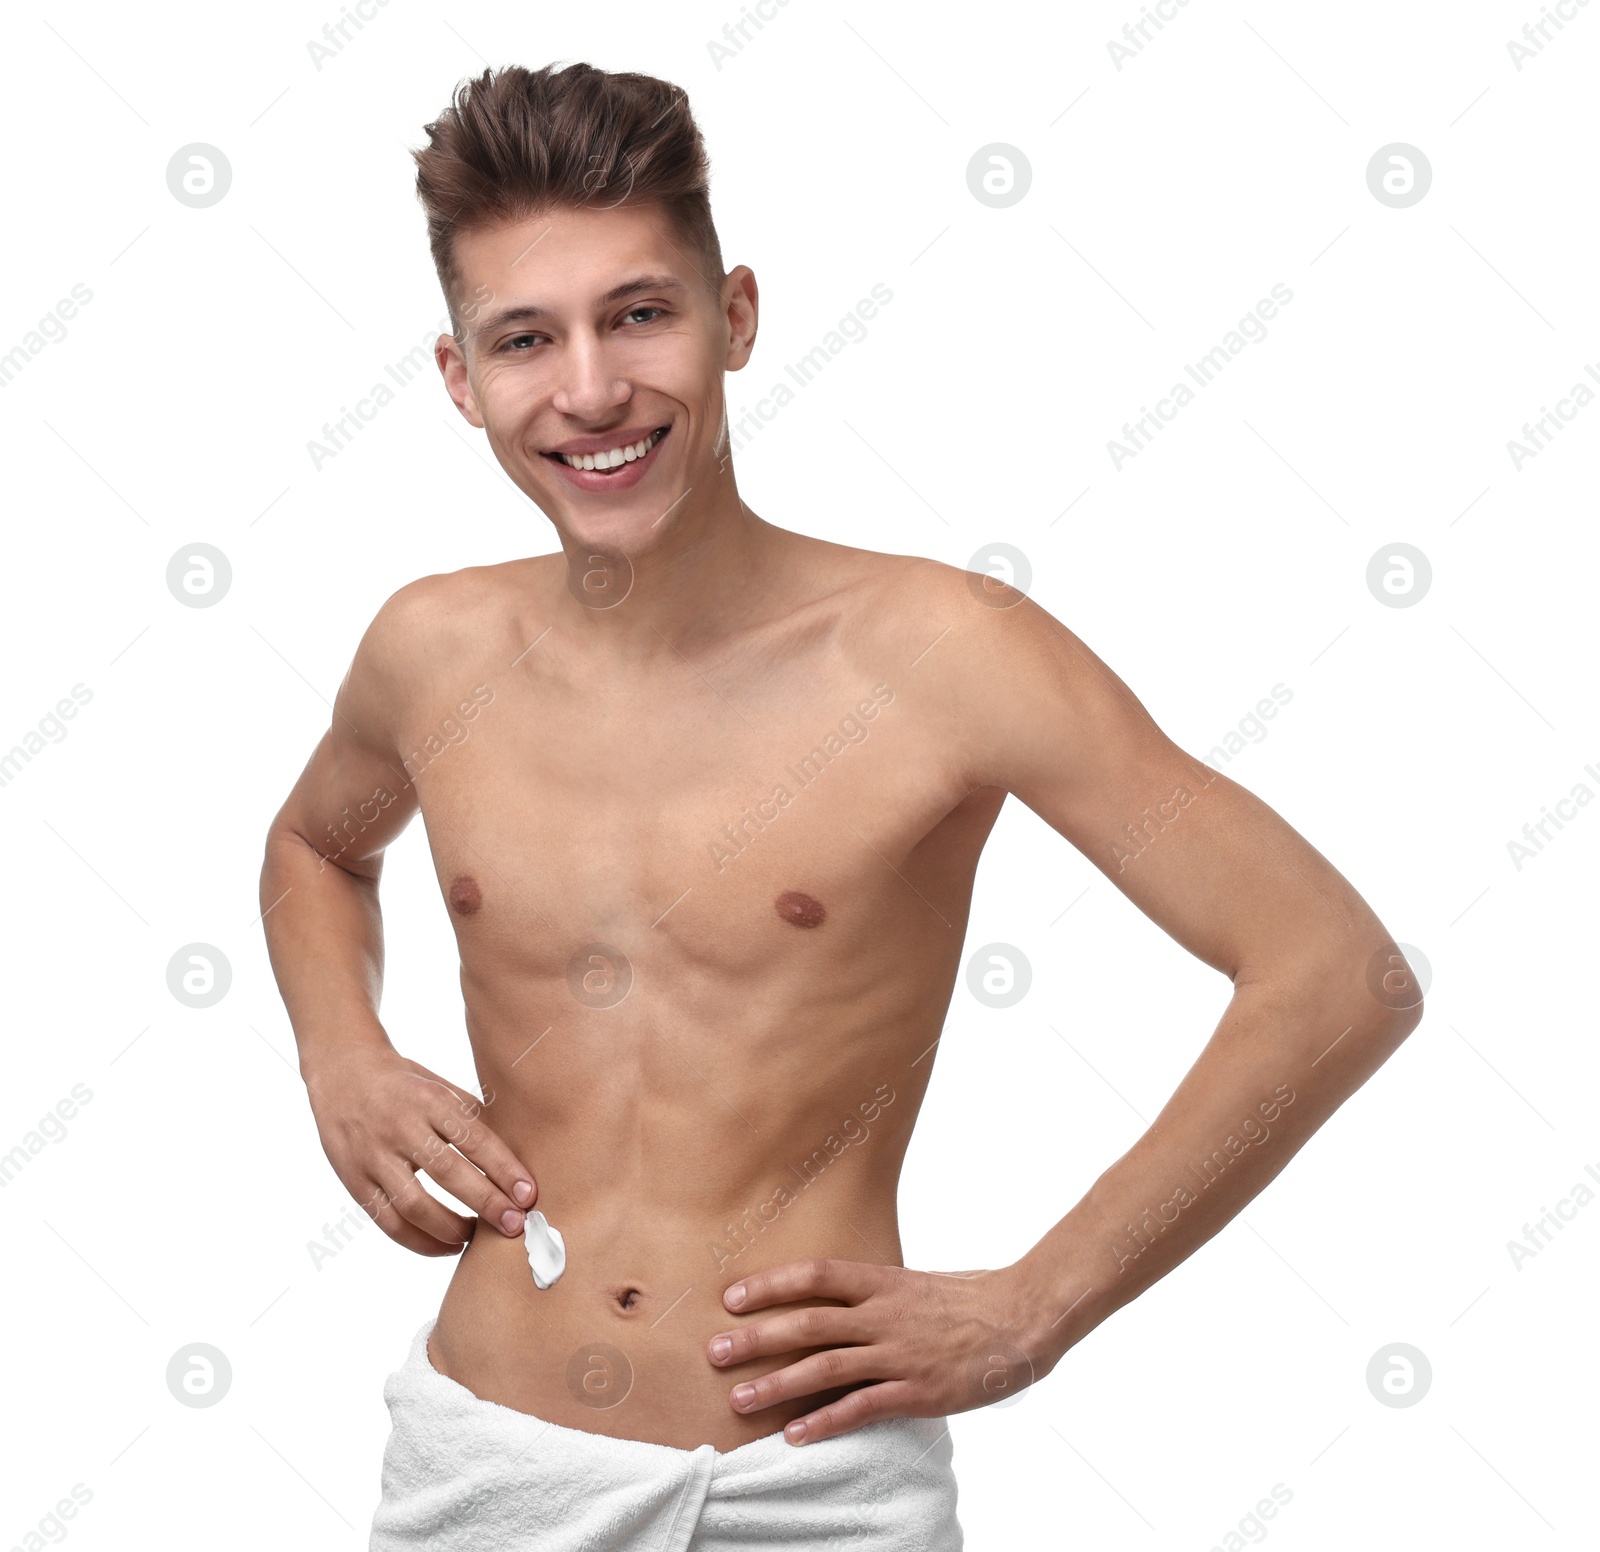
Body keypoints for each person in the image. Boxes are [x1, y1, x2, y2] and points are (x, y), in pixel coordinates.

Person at [258, 60, 1423, 1552]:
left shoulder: (941, 655)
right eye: (525, 340)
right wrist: (338, 1054)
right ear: (460, 378)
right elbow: (311, 844)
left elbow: (1337, 972)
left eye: (640, 313)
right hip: (488, 1465)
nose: (594, 391)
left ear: (733, 314)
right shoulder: (431, 651)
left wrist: (1035, 1307)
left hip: (814, 1487)